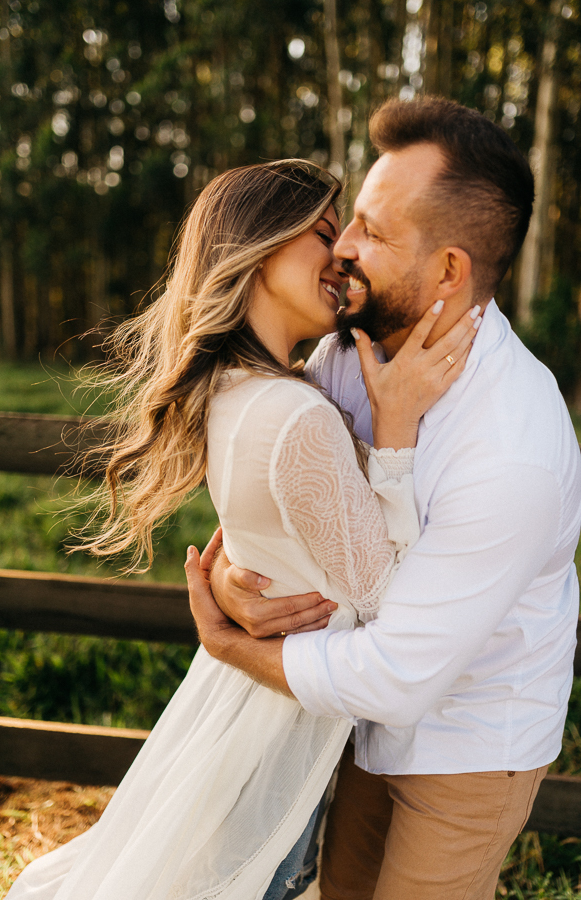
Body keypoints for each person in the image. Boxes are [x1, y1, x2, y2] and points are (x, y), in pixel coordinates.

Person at [6, 160, 477, 900]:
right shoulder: (295, 415)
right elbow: (391, 603)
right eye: (322, 233)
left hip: (245, 715)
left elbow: (266, 545)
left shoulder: (238, 390)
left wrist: (231, 589)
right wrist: (395, 435)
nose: (343, 253)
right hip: (273, 742)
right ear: (258, 247)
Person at [186, 98, 581, 900]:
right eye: (345, 226)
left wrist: (235, 647)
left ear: (448, 271)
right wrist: (234, 577)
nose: (343, 252)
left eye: (371, 232)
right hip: (361, 721)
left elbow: (399, 672)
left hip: (469, 741)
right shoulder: (343, 352)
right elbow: (283, 490)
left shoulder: (513, 446)